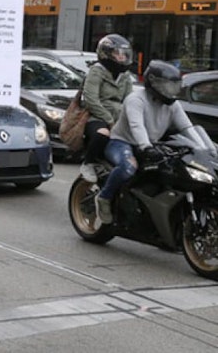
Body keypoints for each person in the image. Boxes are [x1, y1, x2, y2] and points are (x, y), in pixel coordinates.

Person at [95, 60, 206, 224]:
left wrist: (203, 148)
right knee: (128, 168)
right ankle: (104, 197)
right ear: (154, 83)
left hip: (151, 144)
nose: (172, 90)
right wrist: (146, 147)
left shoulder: (173, 105)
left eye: (175, 86)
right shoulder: (136, 99)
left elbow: (187, 127)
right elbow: (137, 126)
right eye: (168, 86)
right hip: (122, 142)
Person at [78, 34, 134, 183]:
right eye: (117, 53)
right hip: (98, 117)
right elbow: (91, 100)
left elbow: (130, 100)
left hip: (119, 118)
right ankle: (88, 163)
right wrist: (109, 120)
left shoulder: (125, 75)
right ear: (106, 53)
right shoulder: (97, 71)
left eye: (124, 54)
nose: (121, 57)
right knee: (103, 133)